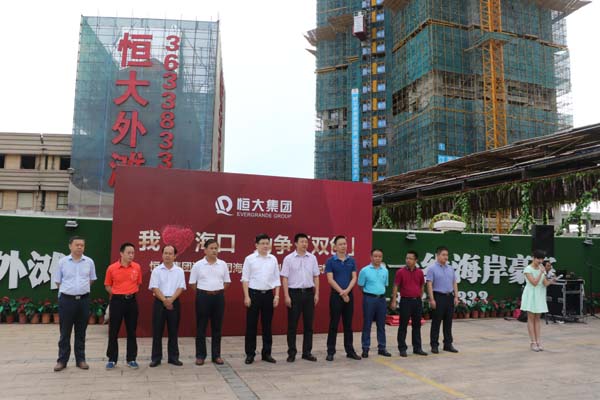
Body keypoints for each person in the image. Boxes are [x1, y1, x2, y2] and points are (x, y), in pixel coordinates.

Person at [52, 236, 97, 372]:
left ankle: (81, 360)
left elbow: (92, 279)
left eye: (82, 245)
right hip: (67, 300)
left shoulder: (89, 262)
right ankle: (62, 360)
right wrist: (71, 291)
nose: (79, 247)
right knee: (65, 332)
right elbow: (58, 281)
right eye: (77, 245)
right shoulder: (62, 262)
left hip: (83, 300)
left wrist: (80, 290)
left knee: (81, 332)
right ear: (70, 246)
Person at [189, 239, 231, 365]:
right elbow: (192, 283)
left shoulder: (223, 264)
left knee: (217, 328)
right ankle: (200, 356)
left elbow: (227, 282)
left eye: (216, 248)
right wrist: (204, 292)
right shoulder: (198, 265)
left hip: (218, 297)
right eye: (211, 248)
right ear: (205, 250)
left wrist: (217, 291)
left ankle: (216, 355)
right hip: (203, 297)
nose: (214, 251)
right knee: (201, 327)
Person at [242, 233, 281, 364]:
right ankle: (250, 354)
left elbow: (276, 279)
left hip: (268, 295)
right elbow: (245, 279)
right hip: (253, 295)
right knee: (251, 326)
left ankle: (267, 353)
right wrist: (246, 296)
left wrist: (277, 295)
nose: (265, 246)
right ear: (256, 245)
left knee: (267, 326)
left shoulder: (273, 259)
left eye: (267, 243)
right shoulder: (249, 259)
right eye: (262, 243)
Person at [280, 233, 320, 362]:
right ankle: (291, 353)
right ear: (295, 243)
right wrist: (286, 295)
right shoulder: (288, 259)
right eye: (302, 242)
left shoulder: (312, 258)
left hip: (309, 293)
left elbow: (316, 276)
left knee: (309, 325)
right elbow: (285, 278)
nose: (305, 244)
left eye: (306, 242)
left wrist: (317, 293)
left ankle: (307, 352)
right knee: (292, 326)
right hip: (294, 294)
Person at [104, 242, 142, 370]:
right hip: (117, 302)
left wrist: (128, 293)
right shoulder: (112, 268)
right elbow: (107, 285)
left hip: (131, 301)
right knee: (113, 331)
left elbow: (138, 283)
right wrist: (117, 293)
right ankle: (112, 359)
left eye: (133, 253)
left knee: (131, 331)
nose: (131, 255)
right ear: (121, 253)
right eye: (128, 253)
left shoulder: (137, 267)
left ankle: (131, 359)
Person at [148, 245, 186, 367]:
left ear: (175, 256)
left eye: (170, 253)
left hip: (174, 301)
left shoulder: (179, 271)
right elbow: (154, 287)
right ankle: (156, 358)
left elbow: (181, 287)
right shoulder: (156, 270)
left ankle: (173, 357)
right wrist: (165, 300)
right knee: (157, 332)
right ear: (162, 255)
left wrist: (171, 300)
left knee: (173, 331)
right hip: (159, 302)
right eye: (165, 253)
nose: (167, 256)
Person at [325, 235, 361, 361]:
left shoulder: (351, 261)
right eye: (340, 244)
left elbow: (354, 277)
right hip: (336, 296)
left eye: (345, 244)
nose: (343, 246)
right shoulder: (330, 261)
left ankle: (350, 351)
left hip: (349, 295)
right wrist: (342, 292)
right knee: (333, 324)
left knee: (348, 325)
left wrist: (347, 291)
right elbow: (330, 280)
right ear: (335, 247)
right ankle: (330, 351)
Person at [390, 250, 427, 357]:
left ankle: (417, 348)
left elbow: (422, 285)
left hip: (417, 301)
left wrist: (420, 297)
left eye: (411, 258)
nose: (408, 260)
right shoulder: (400, 272)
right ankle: (402, 348)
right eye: (407, 258)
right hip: (405, 301)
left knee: (417, 325)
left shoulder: (420, 272)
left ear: (416, 260)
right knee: (403, 325)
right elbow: (396, 286)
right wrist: (394, 300)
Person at [521, 250, 557, 351]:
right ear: (533, 258)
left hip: (540, 295)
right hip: (531, 295)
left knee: (537, 319)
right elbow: (534, 283)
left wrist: (552, 281)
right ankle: (532, 342)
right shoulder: (528, 269)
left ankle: (538, 342)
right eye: (538, 258)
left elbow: (544, 283)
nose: (540, 261)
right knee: (531, 318)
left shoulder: (542, 269)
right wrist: (541, 272)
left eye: (542, 259)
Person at [358, 249, 391, 358]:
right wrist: (369, 294)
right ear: (371, 257)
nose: (377, 258)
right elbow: (360, 286)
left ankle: (382, 348)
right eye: (375, 256)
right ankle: (365, 348)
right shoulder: (364, 270)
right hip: (369, 299)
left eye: (380, 256)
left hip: (381, 299)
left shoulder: (385, 271)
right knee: (367, 324)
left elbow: (384, 285)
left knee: (381, 325)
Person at [426, 246, 459, 354]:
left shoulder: (450, 268)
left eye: (447, 255)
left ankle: (448, 344)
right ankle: (434, 345)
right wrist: (432, 299)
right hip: (438, 297)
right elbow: (429, 284)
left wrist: (456, 296)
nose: (446, 257)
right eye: (443, 255)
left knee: (448, 322)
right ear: (437, 255)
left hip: (449, 297)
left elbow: (454, 282)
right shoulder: (432, 269)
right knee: (436, 322)